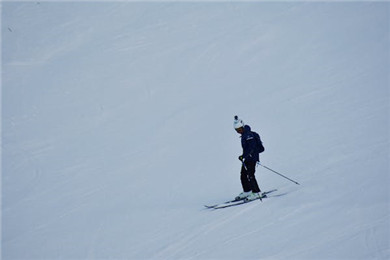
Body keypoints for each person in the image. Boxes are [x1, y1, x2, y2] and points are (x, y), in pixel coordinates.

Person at [233, 116, 262, 201]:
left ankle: (257, 192)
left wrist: (243, 156)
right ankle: (247, 191)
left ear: (242, 126)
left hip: (252, 158)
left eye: (239, 129)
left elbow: (251, 148)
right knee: (243, 175)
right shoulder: (244, 135)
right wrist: (244, 156)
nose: (238, 131)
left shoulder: (249, 135)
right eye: (237, 130)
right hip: (247, 158)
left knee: (250, 175)